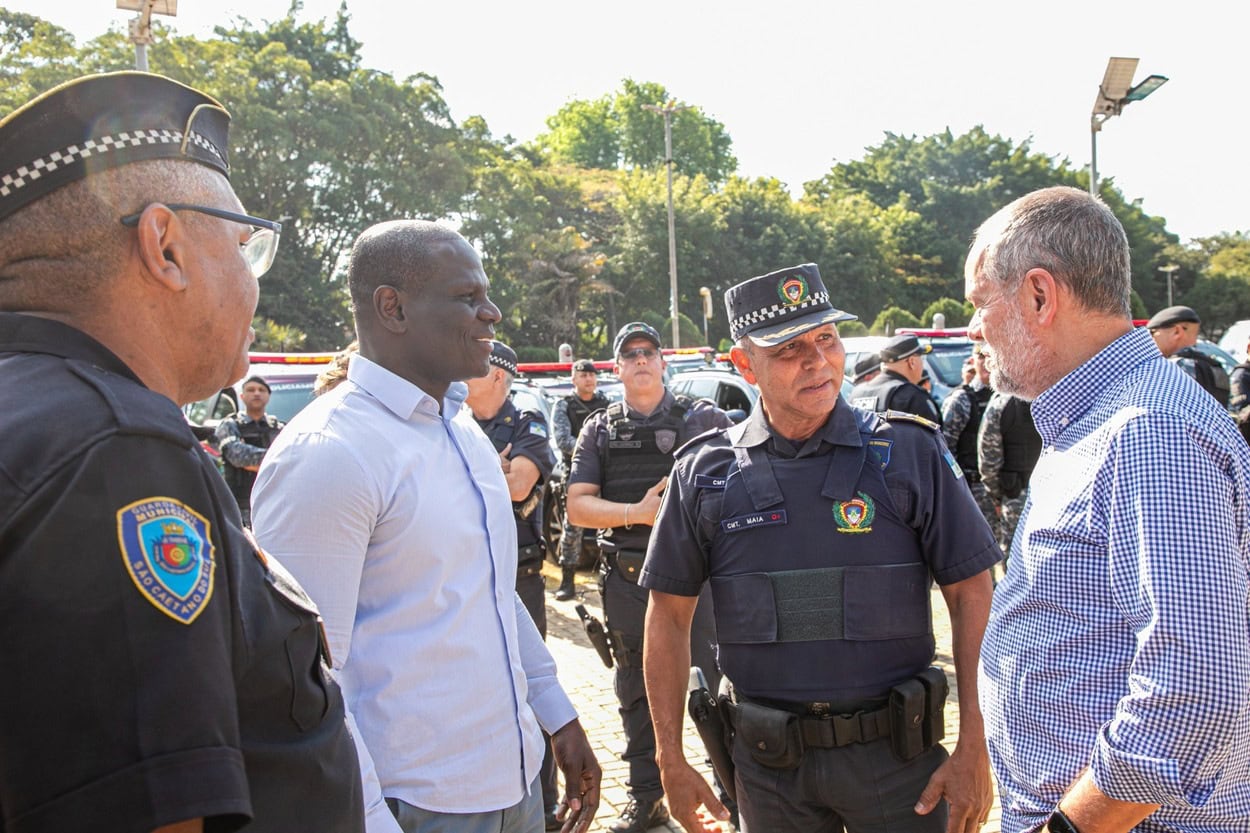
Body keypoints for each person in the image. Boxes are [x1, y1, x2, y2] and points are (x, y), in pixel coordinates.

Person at [0, 72, 364, 832]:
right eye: (243, 244)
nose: (252, 279)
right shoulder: (119, 449)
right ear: (164, 245)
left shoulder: (40, 412)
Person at [251, 219, 601, 833]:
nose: (491, 313)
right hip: (412, 804)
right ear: (393, 307)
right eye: (468, 297)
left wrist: (557, 716)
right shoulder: (328, 452)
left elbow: (490, 594)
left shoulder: (459, 427)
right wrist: (369, 820)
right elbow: (302, 680)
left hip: (513, 783)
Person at [641, 263, 999, 833]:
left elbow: (972, 593)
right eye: (788, 349)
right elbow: (667, 617)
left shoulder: (908, 452)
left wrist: (977, 745)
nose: (817, 360)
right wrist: (671, 760)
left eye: (826, 339)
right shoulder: (704, 474)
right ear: (744, 365)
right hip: (767, 770)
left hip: (900, 766)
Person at [966, 186, 1250, 833]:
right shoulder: (1097, 421)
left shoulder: (1147, 430)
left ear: (1040, 295)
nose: (974, 329)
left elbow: (1195, 684)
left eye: (981, 304)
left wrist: (1070, 826)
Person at [566, 321, 731, 833]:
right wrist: (636, 512)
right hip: (630, 577)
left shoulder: (701, 417)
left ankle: (731, 789)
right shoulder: (599, 427)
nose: (640, 359)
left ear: (663, 362)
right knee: (636, 692)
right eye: (629, 352)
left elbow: (738, 478)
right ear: (617, 367)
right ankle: (647, 798)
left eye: (649, 351)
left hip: (700, 578)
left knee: (716, 686)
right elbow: (577, 507)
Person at [465, 339, 563, 829]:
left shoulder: (526, 420)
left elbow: (520, 484)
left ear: (498, 375)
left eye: (473, 369)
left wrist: (483, 472)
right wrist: (493, 467)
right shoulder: (453, 419)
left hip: (520, 577)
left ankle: (544, 804)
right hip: (465, 574)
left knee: (528, 689)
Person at [551, 357, 610, 600]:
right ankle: (567, 581)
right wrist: (591, 451)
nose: (588, 379)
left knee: (609, 523)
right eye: (583, 375)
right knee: (572, 526)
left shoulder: (605, 403)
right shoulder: (565, 405)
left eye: (592, 374)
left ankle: (609, 575)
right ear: (574, 379)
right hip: (575, 471)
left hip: (605, 470)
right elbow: (563, 441)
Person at [940, 344, 998, 539]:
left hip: (1005, 491)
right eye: (980, 356)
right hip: (972, 491)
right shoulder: (961, 400)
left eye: (988, 354)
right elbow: (944, 451)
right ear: (973, 360)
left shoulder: (1008, 396)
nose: (985, 362)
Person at [976, 391, 1041, 555]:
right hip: (1055, 494)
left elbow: (989, 460)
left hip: (1016, 498)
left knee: (1016, 559)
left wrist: (996, 496)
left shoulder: (1002, 404)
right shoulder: (1062, 395)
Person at [215, 374, 285, 525]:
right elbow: (238, 456)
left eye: (261, 390)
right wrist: (277, 459)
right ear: (242, 396)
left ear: (268, 396)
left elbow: (293, 459)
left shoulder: (280, 428)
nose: (257, 393)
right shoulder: (229, 425)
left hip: (274, 505)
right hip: (239, 508)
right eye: (251, 390)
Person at [1145, 304, 1230, 406]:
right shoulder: (1217, 367)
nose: (1151, 339)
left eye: (1152, 332)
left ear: (1177, 331)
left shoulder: (1171, 367)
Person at [849, 333, 942, 422]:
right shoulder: (913, 397)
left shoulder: (856, 394)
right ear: (912, 362)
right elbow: (931, 437)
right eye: (921, 359)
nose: (922, 365)